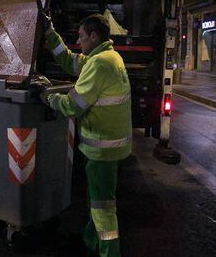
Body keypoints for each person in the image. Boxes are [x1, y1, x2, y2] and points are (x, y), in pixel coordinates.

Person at [39, 13, 132, 257]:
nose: (78, 42)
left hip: (102, 148)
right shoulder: (106, 57)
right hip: (108, 145)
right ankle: (91, 241)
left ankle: (109, 252)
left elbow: (73, 105)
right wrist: (49, 31)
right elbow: (69, 61)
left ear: (93, 36)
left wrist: (48, 97)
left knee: (103, 208)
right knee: (98, 200)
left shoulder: (100, 63)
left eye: (81, 37)